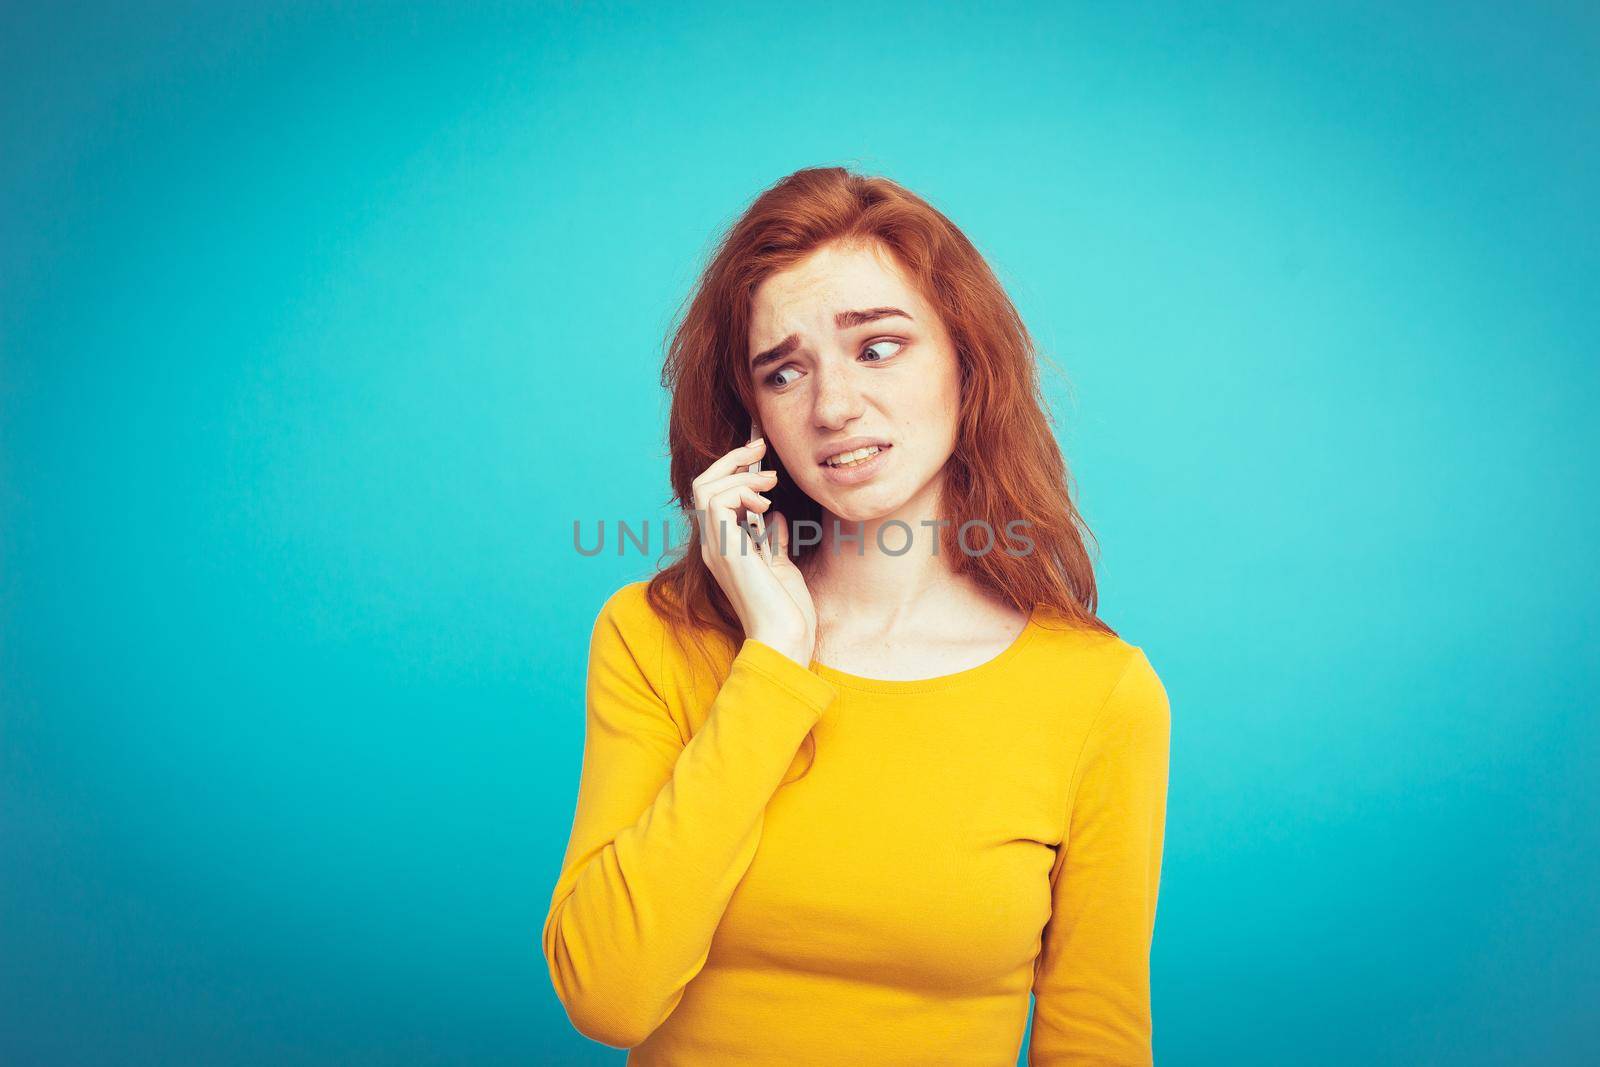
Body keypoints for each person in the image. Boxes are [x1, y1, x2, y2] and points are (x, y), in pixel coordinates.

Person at [541, 166, 1172, 1065]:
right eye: (785, 370)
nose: (833, 406)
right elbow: (608, 996)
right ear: (751, 416)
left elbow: (1096, 1041)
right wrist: (775, 657)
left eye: (877, 347)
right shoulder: (656, 637)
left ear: (967, 357)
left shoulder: (1099, 694)